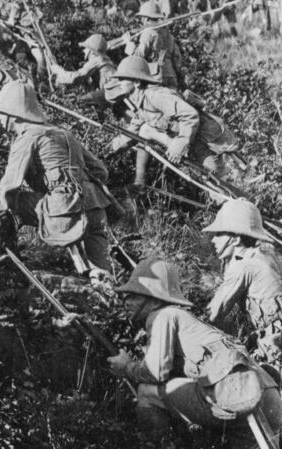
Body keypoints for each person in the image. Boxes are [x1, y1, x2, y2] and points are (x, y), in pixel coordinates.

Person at [107, 258, 282, 447]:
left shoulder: (162, 316)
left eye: (135, 296)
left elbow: (155, 373)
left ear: (155, 299)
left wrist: (126, 366)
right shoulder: (186, 321)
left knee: (146, 393)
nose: (127, 302)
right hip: (266, 395)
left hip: (236, 393)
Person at [0, 81, 113, 278]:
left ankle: (4, 268)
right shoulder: (63, 133)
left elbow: (7, 187)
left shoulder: (27, 137)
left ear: (13, 113)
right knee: (102, 275)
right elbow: (101, 171)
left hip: (65, 211)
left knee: (9, 204)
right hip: (96, 207)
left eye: (0, 112)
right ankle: (106, 289)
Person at [106, 56, 225, 192]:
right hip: (191, 147)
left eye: (123, 79)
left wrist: (179, 145)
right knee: (144, 130)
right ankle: (139, 183)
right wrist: (107, 151)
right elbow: (131, 133)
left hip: (205, 146)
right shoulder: (141, 104)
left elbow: (190, 115)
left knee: (219, 192)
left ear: (137, 82)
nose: (119, 83)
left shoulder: (155, 96)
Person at [204, 199, 282, 362]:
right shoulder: (267, 256)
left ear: (236, 239)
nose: (213, 240)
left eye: (219, 234)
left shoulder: (243, 266)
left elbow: (213, 314)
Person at [122, 1, 183, 89]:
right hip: (171, 74)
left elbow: (138, 56)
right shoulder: (168, 34)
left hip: (155, 76)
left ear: (146, 18)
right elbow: (177, 57)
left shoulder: (148, 32)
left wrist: (128, 42)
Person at [50, 33, 116, 109]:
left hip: (109, 92)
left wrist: (59, 71)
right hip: (113, 92)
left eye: (86, 48)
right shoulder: (105, 60)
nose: (84, 51)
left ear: (92, 51)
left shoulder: (97, 60)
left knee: (80, 101)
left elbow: (76, 77)